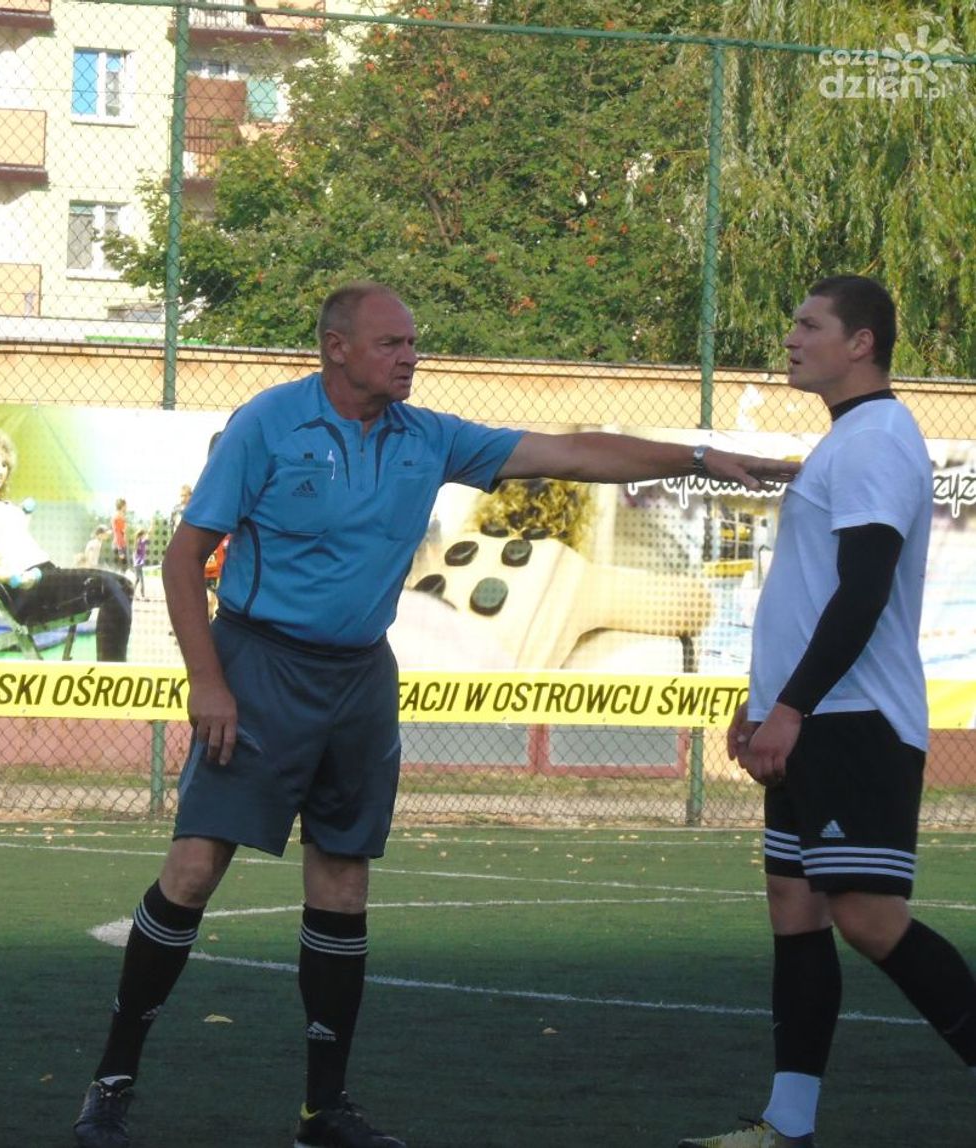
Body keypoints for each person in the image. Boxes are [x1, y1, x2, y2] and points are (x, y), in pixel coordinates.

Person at [71, 281, 800, 1148]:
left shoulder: (430, 436)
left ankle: (322, 1110)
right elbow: (185, 558)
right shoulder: (267, 424)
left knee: (343, 882)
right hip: (258, 669)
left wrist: (699, 456)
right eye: (392, 343)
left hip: (359, 679)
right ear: (337, 348)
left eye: (413, 343)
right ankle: (110, 1084)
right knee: (193, 872)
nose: (410, 356)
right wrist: (209, 682)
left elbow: (571, 453)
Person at [679, 277, 976, 1148]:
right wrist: (762, 705)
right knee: (795, 905)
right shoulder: (848, 439)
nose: (791, 337)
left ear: (862, 343)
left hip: (854, 721)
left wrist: (793, 707)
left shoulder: (878, 437)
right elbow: (808, 593)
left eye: (810, 324)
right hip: (812, 719)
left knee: (870, 920)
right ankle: (788, 1125)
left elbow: (862, 592)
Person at [0, 430, 134, 661]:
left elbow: (12, 541)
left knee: (124, 585)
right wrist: (15, 577)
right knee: (111, 589)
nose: (0, 471)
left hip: (46, 576)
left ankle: (113, 668)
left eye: (4, 464)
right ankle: (111, 673)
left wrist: (23, 515)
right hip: (30, 590)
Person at [111, 498, 129, 571]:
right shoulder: (117, 517)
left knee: (123, 568)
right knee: (121, 569)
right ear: (122, 506)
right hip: (119, 545)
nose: (127, 507)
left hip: (121, 545)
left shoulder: (121, 516)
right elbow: (117, 533)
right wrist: (120, 549)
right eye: (126, 505)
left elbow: (123, 533)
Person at [132, 529, 150, 598]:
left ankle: (132, 593)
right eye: (144, 534)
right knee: (141, 579)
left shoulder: (137, 541)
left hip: (137, 564)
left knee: (137, 579)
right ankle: (142, 595)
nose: (144, 536)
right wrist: (148, 534)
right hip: (138, 564)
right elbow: (147, 541)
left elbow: (147, 541)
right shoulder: (140, 541)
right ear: (141, 535)